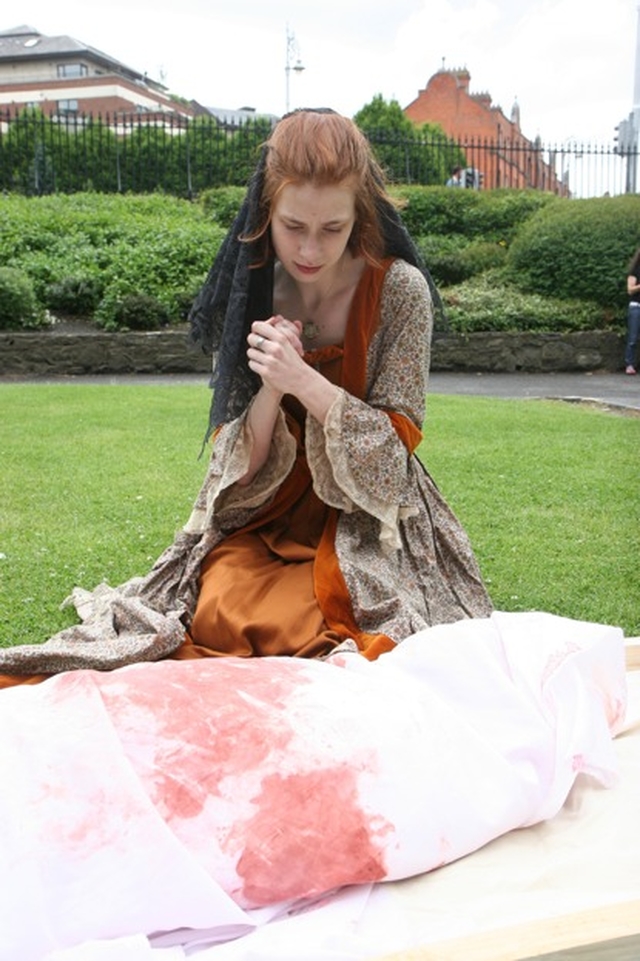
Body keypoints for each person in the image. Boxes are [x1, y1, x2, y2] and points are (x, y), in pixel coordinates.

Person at [0, 108, 492, 685]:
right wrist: (271, 385)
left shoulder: (400, 291)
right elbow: (239, 467)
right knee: (219, 609)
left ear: (359, 213)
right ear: (267, 211)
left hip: (364, 515)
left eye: (332, 229)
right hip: (269, 507)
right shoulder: (253, 284)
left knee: (346, 623)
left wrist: (305, 380)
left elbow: (391, 463)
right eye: (293, 226)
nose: (310, 248)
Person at [625, 246, 640, 375]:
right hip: (636, 306)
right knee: (633, 337)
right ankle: (629, 363)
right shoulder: (635, 271)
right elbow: (630, 289)